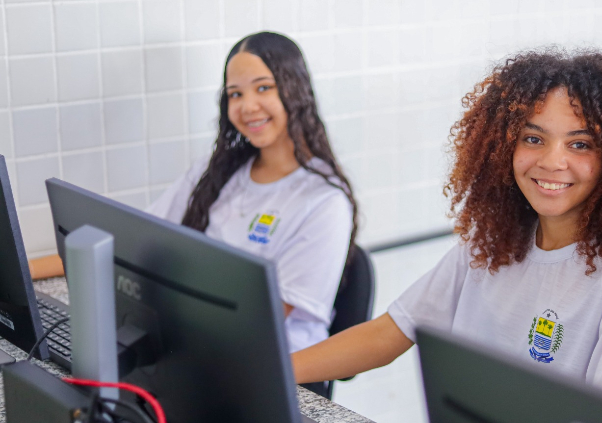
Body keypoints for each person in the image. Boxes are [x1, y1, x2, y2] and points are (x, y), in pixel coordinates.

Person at [292, 48, 602, 409]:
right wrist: (272, 368)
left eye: (580, 144)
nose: (552, 161)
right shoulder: (492, 241)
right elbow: (389, 334)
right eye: (533, 138)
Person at [30, 32, 358, 360]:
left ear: (295, 89)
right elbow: (129, 241)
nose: (247, 106)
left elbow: (258, 323)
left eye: (263, 88)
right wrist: (26, 269)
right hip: (194, 345)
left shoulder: (324, 202)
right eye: (235, 94)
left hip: (266, 368)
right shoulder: (214, 171)